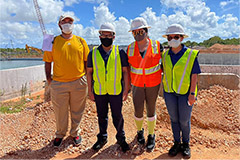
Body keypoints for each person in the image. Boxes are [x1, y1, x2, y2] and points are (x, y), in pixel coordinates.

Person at [43, 14, 90, 147]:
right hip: (58, 83)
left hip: (79, 82)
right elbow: (47, 61)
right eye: (64, 21)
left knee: (78, 110)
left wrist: (86, 78)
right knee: (60, 111)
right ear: (59, 24)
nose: (67, 23)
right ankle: (60, 134)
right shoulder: (50, 41)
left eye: (70, 21)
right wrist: (49, 79)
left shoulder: (81, 41)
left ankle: (75, 133)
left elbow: (87, 61)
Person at [86, 23, 130, 153]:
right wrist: (90, 91)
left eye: (108, 35)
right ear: (99, 36)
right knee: (101, 116)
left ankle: (121, 138)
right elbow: (89, 72)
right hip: (99, 91)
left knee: (117, 116)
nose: (106, 37)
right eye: (103, 35)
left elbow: (125, 72)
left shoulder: (119, 52)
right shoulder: (93, 53)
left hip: (116, 90)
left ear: (113, 36)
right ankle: (102, 138)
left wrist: (126, 89)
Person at [162, 24, 201, 158]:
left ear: (182, 38)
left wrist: (192, 94)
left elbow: (194, 75)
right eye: (170, 37)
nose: (173, 39)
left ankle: (186, 144)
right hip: (169, 93)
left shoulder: (191, 54)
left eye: (176, 37)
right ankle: (176, 143)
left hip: (185, 93)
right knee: (174, 119)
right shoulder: (165, 55)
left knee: (184, 120)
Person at [127, 17, 163, 152]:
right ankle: (140, 132)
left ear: (146, 31)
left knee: (151, 110)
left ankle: (151, 135)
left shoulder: (157, 45)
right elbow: (126, 69)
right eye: (135, 32)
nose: (138, 34)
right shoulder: (130, 48)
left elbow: (165, 65)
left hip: (153, 84)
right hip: (136, 85)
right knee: (137, 110)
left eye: (140, 31)